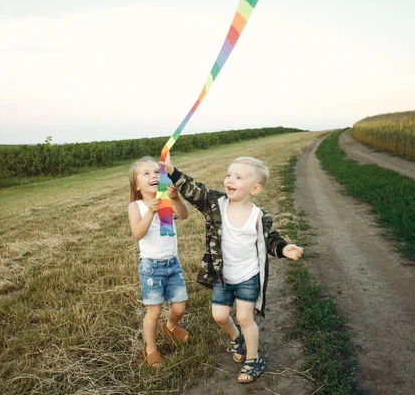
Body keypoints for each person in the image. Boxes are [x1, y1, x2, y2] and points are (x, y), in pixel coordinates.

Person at [160, 153, 303, 383]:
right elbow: (193, 191)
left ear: (254, 190)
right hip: (222, 276)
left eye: (238, 177)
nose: (230, 180)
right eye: (229, 175)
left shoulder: (258, 216)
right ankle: (237, 338)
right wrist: (173, 172)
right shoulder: (216, 204)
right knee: (219, 316)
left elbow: (270, 239)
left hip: (248, 276)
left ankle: (254, 358)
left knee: (245, 318)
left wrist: (284, 249)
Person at [128, 156, 191, 369]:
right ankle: (151, 349)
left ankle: (171, 327)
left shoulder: (165, 200)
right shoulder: (136, 206)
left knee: (179, 308)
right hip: (151, 267)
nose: (153, 175)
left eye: (156, 172)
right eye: (146, 173)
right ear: (136, 184)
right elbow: (138, 233)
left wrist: (176, 199)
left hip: (172, 264)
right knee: (153, 312)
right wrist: (151, 212)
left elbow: (184, 215)